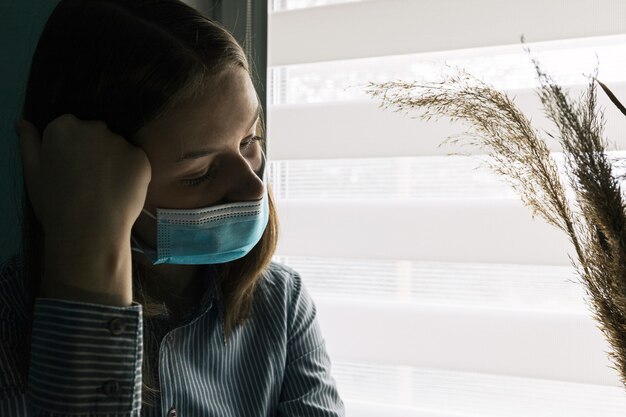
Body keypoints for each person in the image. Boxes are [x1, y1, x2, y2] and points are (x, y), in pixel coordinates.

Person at [1, 0, 345, 416]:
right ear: (88, 172)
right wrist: (87, 247)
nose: (253, 188)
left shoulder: (282, 305)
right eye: (199, 173)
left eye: (249, 140)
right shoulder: (10, 320)